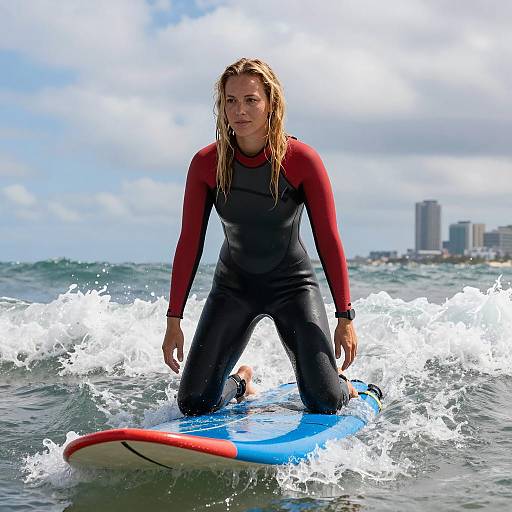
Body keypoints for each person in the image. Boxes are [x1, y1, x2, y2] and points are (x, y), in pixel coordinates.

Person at [162, 58, 358, 416]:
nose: (240, 110)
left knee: (324, 401)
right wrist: (173, 319)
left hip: (292, 286)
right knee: (193, 403)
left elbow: (328, 237)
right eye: (231, 101)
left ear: (271, 103)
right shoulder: (207, 163)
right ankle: (240, 384)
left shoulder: (301, 160)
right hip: (233, 287)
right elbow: (189, 241)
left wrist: (345, 316)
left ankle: (341, 384)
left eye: (251, 100)